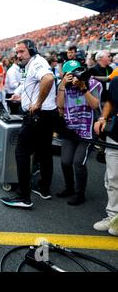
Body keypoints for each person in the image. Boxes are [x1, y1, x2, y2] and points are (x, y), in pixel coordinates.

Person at [1, 39, 57, 208]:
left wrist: (38, 103)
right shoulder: (31, 64)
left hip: (38, 115)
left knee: (22, 153)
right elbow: (30, 85)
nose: (18, 56)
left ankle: (23, 197)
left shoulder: (38, 62)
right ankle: (44, 189)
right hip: (46, 115)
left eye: (21, 52)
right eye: (17, 52)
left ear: (31, 50)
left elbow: (48, 79)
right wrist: (21, 97)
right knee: (44, 152)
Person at [56, 60, 102, 205]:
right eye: (72, 73)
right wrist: (63, 85)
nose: (76, 75)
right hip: (71, 129)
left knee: (78, 162)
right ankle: (69, 188)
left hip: (87, 130)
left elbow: (95, 105)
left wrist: (83, 88)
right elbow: (60, 105)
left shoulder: (94, 84)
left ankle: (79, 193)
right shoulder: (64, 86)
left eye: (79, 71)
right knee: (65, 161)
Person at [93, 72, 118, 236]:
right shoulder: (116, 80)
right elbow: (110, 101)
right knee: (112, 178)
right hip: (115, 135)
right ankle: (113, 216)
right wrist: (102, 118)